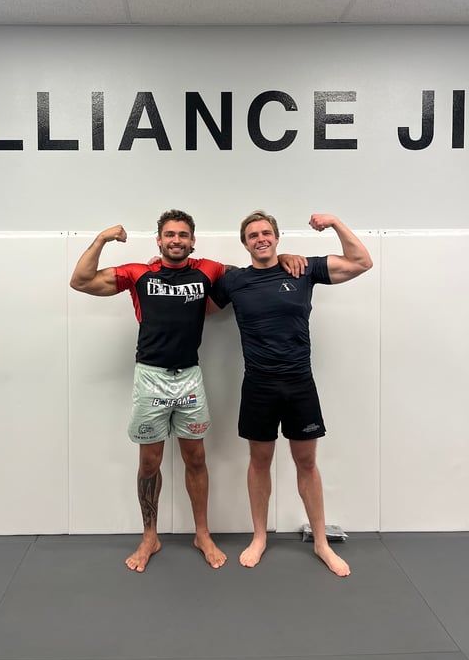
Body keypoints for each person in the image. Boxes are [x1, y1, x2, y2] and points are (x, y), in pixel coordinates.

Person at [70, 209, 304, 573]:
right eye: (170, 234)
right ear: (159, 240)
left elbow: (251, 272)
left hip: (189, 378)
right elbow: (81, 281)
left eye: (182, 235)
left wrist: (282, 256)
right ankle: (150, 537)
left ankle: (202, 534)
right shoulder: (139, 273)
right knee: (149, 462)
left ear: (192, 241)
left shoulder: (208, 270)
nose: (176, 240)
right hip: (150, 377)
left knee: (196, 458)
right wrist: (102, 239)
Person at [210, 211, 373, 577]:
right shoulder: (234, 281)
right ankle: (259, 537)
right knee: (259, 462)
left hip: (299, 383)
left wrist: (335, 224)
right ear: (245, 243)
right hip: (258, 385)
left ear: (277, 237)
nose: (260, 238)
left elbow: (362, 262)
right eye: (253, 235)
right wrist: (159, 268)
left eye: (266, 232)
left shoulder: (302, 269)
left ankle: (321, 542)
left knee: (307, 463)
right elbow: (196, 304)